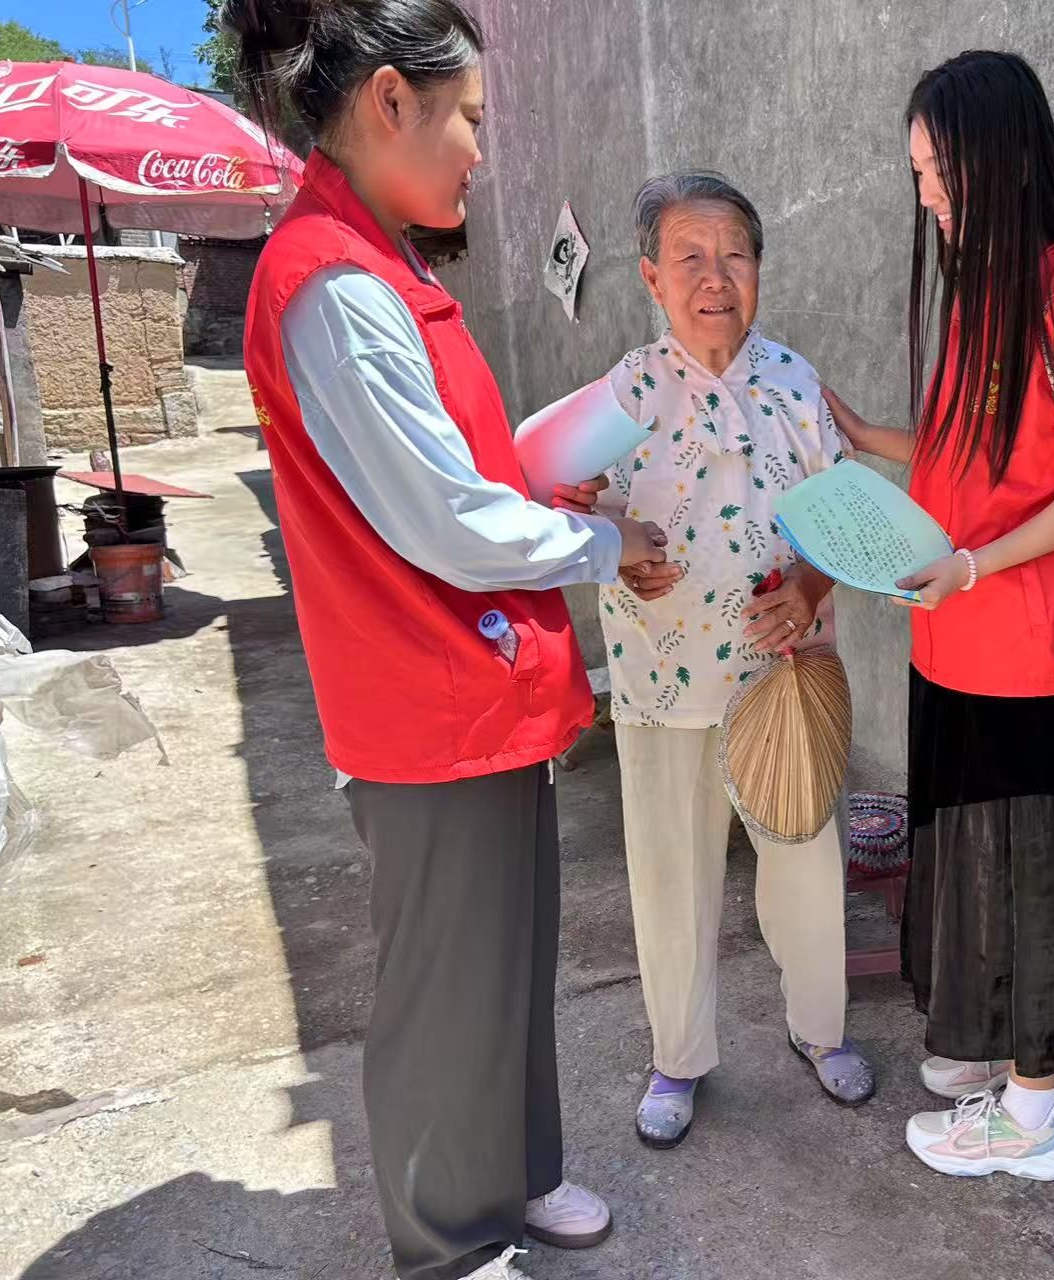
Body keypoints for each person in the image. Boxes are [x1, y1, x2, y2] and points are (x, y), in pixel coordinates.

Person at [224, 2, 668, 1274]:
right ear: (389, 102)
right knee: (444, 989)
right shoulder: (329, 281)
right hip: (427, 701)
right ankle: (449, 1238)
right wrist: (598, 543)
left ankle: (512, 1178)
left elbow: (459, 479)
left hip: (480, 685)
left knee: (506, 962)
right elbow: (441, 518)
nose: (480, 147)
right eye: (467, 115)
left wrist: (544, 493)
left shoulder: (383, 266)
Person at [825, 50, 1054, 1182]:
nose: (927, 198)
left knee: (1028, 865)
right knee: (960, 848)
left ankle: (1034, 1110)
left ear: (999, 161)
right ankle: (987, 1045)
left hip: (1022, 645)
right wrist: (865, 436)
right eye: (916, 173)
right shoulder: (980, 299)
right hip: (948, 633)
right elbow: (967, 452)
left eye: (939, 172)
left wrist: (971, 564)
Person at [555, 172, 876, 1150]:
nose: (714, 277)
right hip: (659, 676)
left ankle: (820, 1029)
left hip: (779, 674)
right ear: (651, 277)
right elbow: (559, 501)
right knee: (670, 876)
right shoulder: (622, 392)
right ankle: (678, 1056)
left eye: (734, 254)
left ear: (759, 270)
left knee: (804, 862)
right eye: (689, 257)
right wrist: (613, 539)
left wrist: (809, 588)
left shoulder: (794, 383)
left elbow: (846, 514)